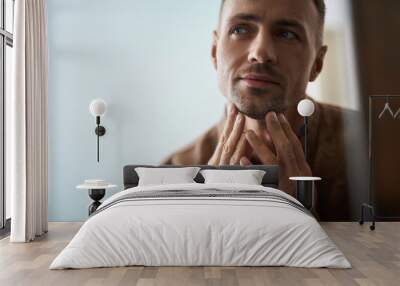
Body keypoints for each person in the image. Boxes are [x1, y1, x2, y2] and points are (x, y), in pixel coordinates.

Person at [162, 0, 354, 221]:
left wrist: (301, 220)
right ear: (215, 51)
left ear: (317, 63)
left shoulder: (380, 150)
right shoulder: (174, 171)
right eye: (240, 29)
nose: (260, 52)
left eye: (287, 34)